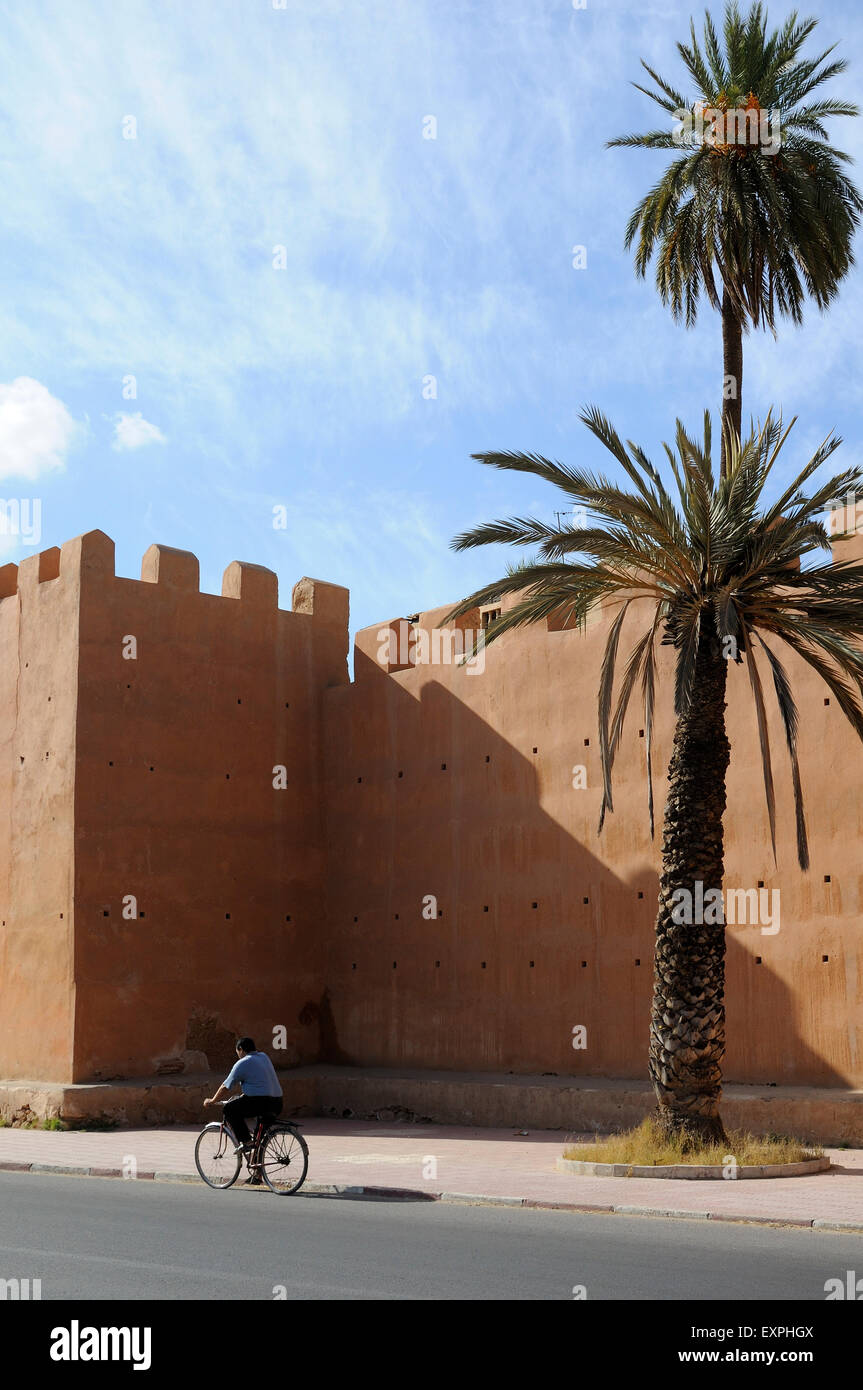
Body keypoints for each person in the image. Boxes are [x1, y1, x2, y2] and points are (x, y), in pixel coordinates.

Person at [204, 1037, 283, 1182]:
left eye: (237, 1052)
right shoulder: (264, 1057)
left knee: (229, 1109)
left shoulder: (242, 1063)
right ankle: (257, 1175)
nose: (237, 1054)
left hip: (259, 1102)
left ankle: (245, 1141)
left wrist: (212, 1100)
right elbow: (259, 1082)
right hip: (277, 1102)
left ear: (241, 1049)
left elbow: (225, 1086)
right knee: (261, 1135)